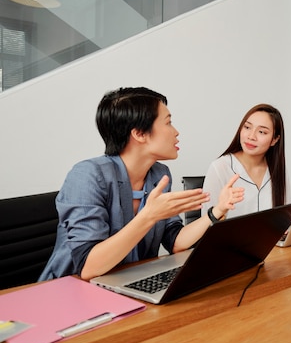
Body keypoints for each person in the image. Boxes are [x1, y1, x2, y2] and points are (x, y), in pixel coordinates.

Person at [40, 87, 243, 281]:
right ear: (139, 133)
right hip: (72, 293)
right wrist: (149, 215)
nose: (176, 132)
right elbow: (88, 267)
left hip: (129, 284)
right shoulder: (87, 175)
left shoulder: (159, 174)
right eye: (168, 122)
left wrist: (216, 211)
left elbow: (175, 242)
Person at [201, 103, 287, 221]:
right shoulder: (220, 167)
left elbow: (286, 218)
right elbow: (206, 224)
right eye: (247, 127)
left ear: (275, 140)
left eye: (261, 132)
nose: (251, 136)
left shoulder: (277, 170)